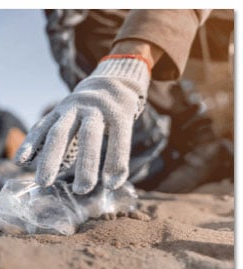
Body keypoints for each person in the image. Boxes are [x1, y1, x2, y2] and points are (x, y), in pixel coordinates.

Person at [15, 9, 234, 194]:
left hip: (216, 24)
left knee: (82, 16)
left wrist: (129, 61)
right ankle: (170, 150)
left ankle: (200, 144)